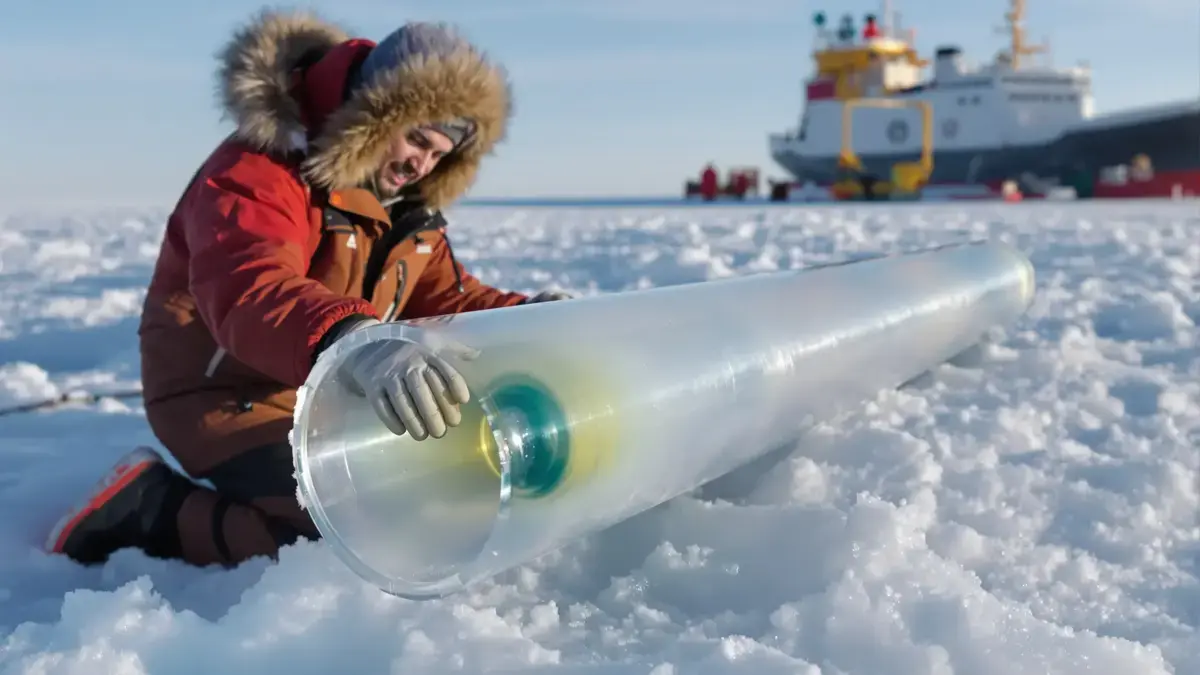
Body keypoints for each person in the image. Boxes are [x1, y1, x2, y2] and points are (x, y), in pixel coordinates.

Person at [43, 10, 571, 568]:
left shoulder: (401, 208)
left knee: (427, 497)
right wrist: (356, 340)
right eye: (416, 139)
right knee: (353, 540)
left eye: (439, 154)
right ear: (375, 110)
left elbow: (447, 298)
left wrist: (532, 317)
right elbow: (250, 286)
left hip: (327, 387)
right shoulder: (259, 167)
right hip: (224, 396)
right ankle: (144, 510)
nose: (422, 164)